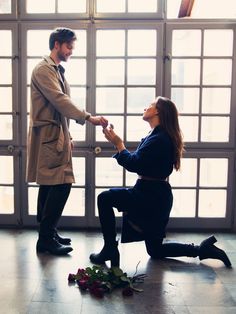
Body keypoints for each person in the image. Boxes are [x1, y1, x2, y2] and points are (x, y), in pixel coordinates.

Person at [90, 96, 232, 268]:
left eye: (150, 105)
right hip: (156, 195)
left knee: (105, 198)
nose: (146, 107)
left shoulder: (160, 138)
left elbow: (135, 164)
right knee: (155, 250)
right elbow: (139, 160)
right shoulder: (158, 136)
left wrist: (119, 144)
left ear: (158, 111)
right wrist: (118, 144)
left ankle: (109, 249)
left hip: (149, 196)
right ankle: (202, 249)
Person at [26, 28, 108, 255]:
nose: (71, 51)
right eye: (69, 46)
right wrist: (88, 117)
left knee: (49, 183)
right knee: (62, 184)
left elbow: (58, 106)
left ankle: (48, 232)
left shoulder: (55, 70)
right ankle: (45, 238)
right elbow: (59, 100)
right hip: (49, 136)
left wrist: (68, 135)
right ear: (57, 45)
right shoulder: (44, 69)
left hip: (56, 134)